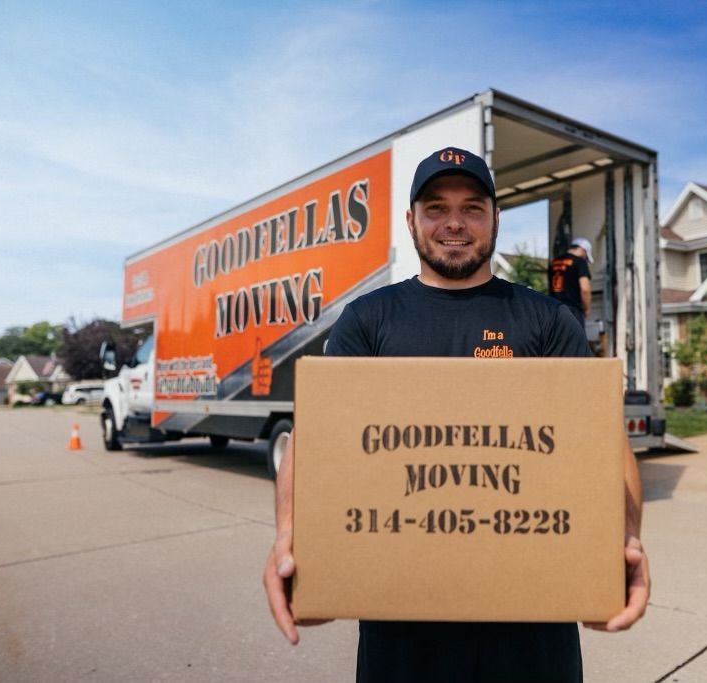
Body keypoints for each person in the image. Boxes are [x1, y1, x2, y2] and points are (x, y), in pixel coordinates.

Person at [263, 146, 649, 682]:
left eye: (472, 207)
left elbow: (604, 444)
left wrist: (624, 537)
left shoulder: (547, 321)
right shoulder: (368, 321)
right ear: (411, 220)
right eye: (436, 207)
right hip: (401, 632)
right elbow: (316, 440)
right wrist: (290, 533)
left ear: (495, 218)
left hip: (532, 634)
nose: (454, 223)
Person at [548, 237, 594, 326]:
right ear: (582, 249)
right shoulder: (580, 262)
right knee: (575, 339)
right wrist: (586, 308)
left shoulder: (554, 262)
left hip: (553, 310)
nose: (585, 257)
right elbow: (585, 289)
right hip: (572, 310)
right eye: (586, 255)